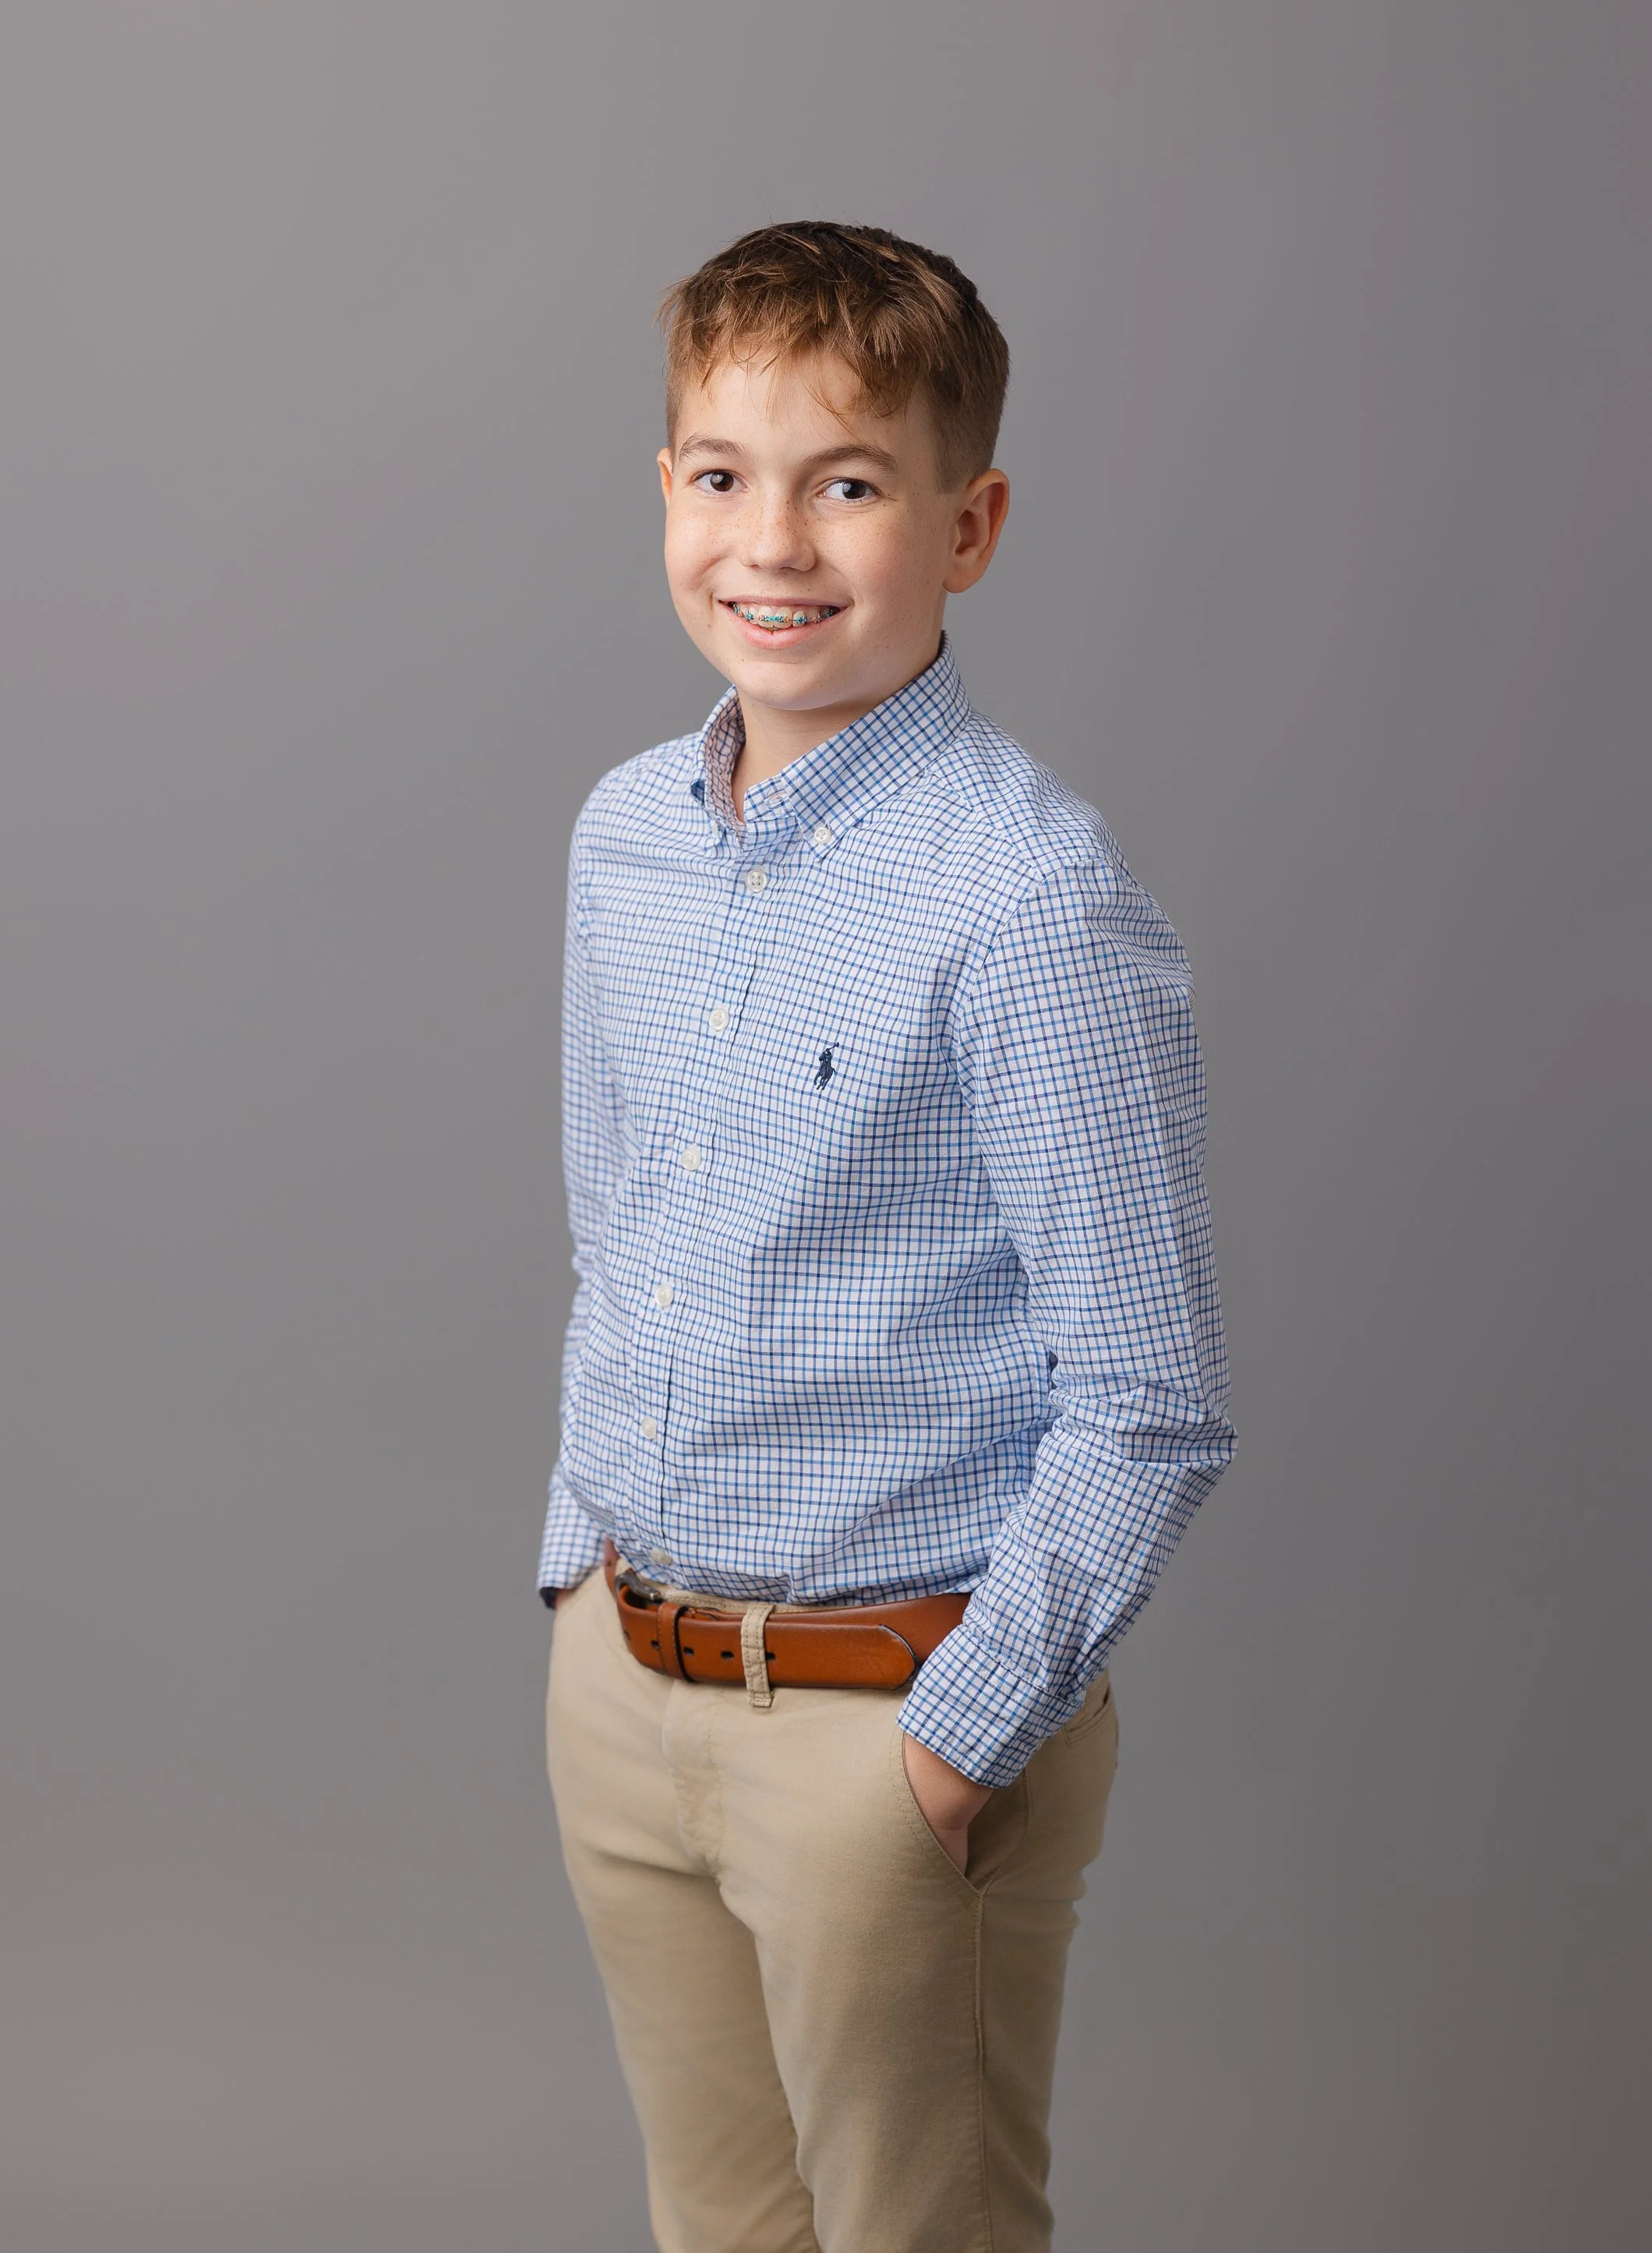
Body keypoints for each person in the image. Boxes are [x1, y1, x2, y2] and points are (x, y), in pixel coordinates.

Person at [538, 220, 1235, 2253]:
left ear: (969, 524)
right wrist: (578, 1578)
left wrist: (953, 1743)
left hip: (885, 1722)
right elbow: (619, 1235)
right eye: (721, 475)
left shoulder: (1033, 901)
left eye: (847, 484)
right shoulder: (624, 838)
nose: (772, 542)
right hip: (627, 1683)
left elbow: (1151, 1395)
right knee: (718, 2224)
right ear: (666, 491)